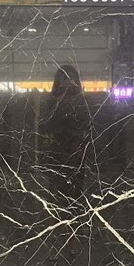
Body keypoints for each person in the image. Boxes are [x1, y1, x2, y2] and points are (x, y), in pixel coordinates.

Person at [42, 65, 89, 200]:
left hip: (76, 149)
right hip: (57, 149)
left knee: (75, 188)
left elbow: (86, 124)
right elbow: (46, 125)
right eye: (65, 79)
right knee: (57, 189)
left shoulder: (82, 102)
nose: (68, 82)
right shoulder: (51, 101)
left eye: (70, 79)